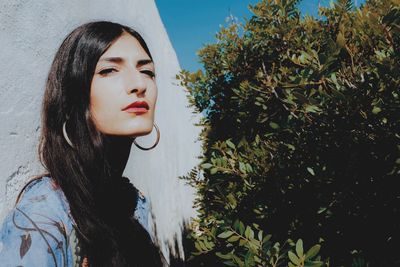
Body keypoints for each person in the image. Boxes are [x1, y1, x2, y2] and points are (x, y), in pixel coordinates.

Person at [0, 21, 166, 266]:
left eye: (147, 71)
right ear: (74, 95)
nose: (139, 85)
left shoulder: (134, 204)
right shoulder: (44, 217)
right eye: (109, 70)